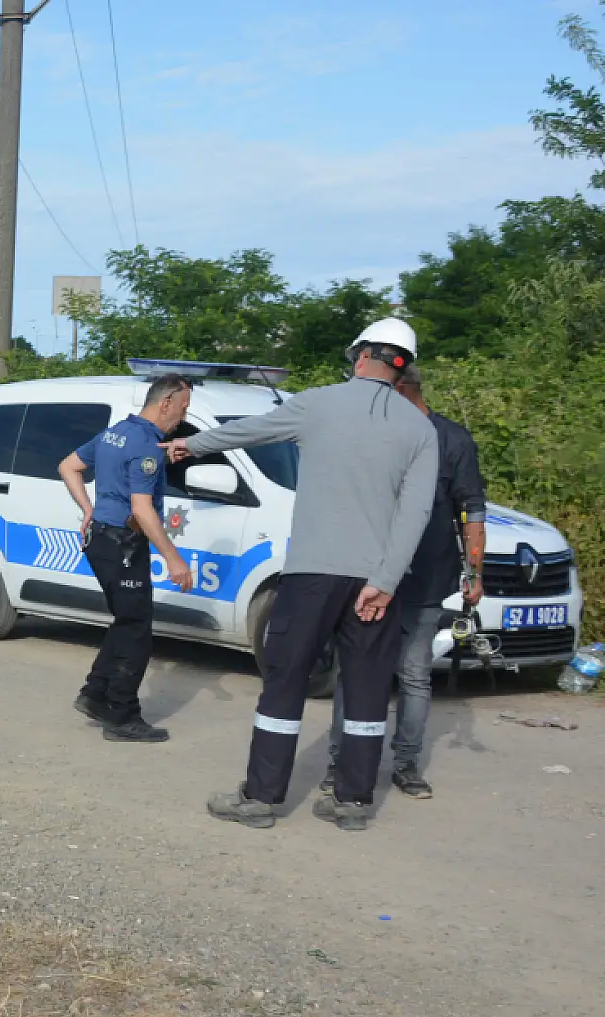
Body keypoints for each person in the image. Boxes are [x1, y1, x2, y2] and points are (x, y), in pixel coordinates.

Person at [168, 318, 439, 832]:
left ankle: (262, 798)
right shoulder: (419, 429)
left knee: (285, 682)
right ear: (404, 368)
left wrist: (191, 446)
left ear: (359, 355)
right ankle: (354, 803)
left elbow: (250, 431)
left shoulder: (318, 403)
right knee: (364, 690)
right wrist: (384, 581)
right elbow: (416, 513)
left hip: (311, 574)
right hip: (375, 584)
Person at [322, 365, 486, 800]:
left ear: (402, 389)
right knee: (355, 671)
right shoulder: (379, 434)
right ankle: (341, 760)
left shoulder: (452, 440)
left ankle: (407, 764)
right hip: (369, 573)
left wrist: (474, 571)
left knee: (413, 674)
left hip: (426, 580)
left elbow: (473, 511)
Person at [56, 374, 196, 742]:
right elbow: (143, 510)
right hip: (123, 545)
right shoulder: (146, 445)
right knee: (136, 629)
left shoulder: (116, 432)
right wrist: (174, 558)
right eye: (182, 408)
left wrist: (87, 508)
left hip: (102, 539)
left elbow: (68, 465)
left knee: (126, 620)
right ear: (165, 403)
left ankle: (95, 694)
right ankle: (121, 715)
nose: (182, 417)